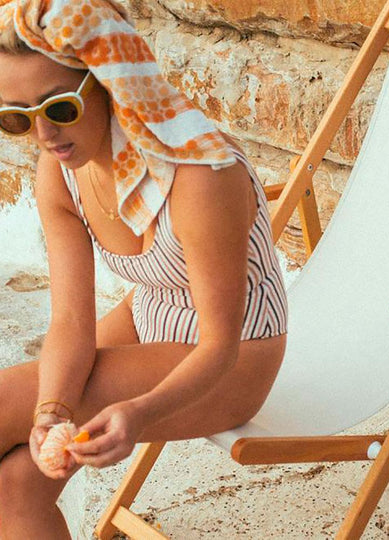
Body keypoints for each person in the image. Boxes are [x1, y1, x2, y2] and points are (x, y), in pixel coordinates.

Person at [0, 0, 287, 537]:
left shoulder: (200, 176)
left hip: (234, 360)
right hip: (150, 316)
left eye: (58, 108)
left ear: (111, 84)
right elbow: (69, 322)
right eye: (16, 118)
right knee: (16, 482)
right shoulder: (60, 172)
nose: (43, 136)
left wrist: (140, 413)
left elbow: (219, 345)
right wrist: (50, 413)